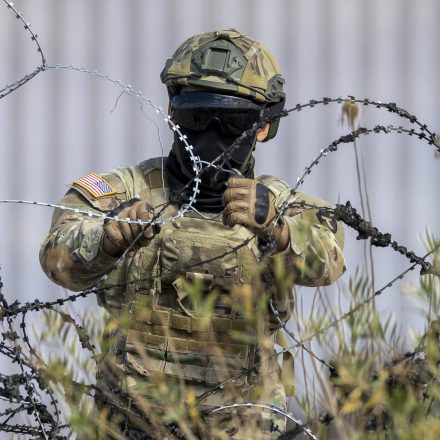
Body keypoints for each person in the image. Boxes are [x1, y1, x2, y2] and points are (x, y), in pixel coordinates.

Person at [40, 29, 346, 439]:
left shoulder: (281, 205)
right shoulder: (126, 191)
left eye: (232, 122)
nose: (211, 137)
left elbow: (331, 256)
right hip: (132, 422)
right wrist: (110, 236)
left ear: (262, 127)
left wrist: (278, 229)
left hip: (245, 424)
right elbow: (57, 258)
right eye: (197, 119)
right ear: (172, 112)